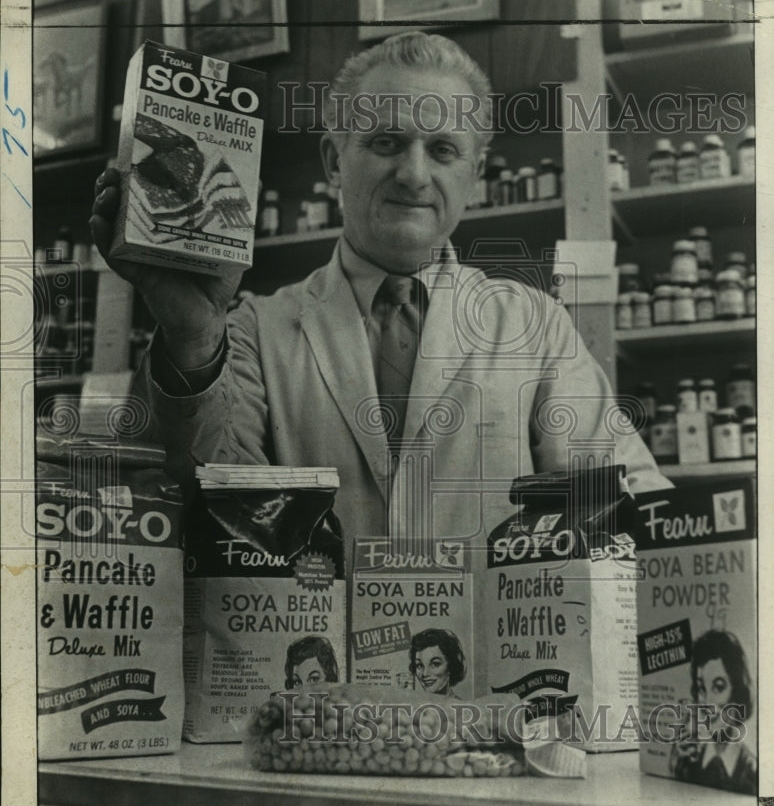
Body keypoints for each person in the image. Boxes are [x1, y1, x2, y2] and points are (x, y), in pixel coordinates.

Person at [90, 32, 668, 545]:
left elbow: (617, 509)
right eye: (387, 143)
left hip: (500, 665)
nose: (414, 175)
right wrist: (190, 337)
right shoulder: (251, 330)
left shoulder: (536, 326)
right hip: (312, 662)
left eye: (443, 149)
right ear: (334, 162)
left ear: (476, 174)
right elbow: (203, 511)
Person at [670, 629, 757, 795]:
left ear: (737, 692)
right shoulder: (686, 763)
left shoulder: (755, 773)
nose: (707, 703)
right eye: (702, 689)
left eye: (718, 687)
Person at [409, 628, 466, 698]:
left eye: (435, 664)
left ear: (451, 666)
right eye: (419, 665)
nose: (425, 674)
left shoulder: (461, 706)